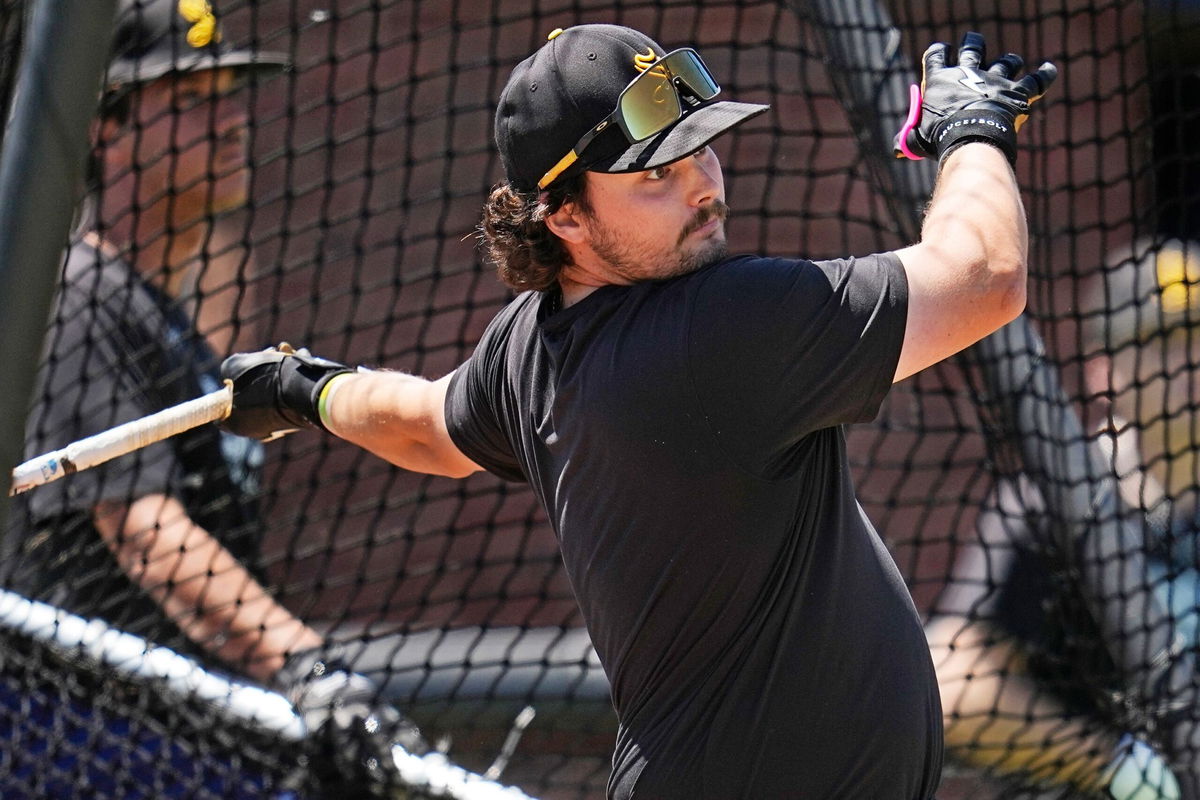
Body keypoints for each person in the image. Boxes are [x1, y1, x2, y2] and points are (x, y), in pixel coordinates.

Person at [220, 25, 1056, 799]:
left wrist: (308, 392)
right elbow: (984, 273)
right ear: (566, 215)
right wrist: (971, 131)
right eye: (657, 172)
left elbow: (427, 423)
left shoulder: (532, 341)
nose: (703, 186)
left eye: (702, 151)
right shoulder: (715, 329)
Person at [3, 0, 422, 793]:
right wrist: (305, 662)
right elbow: (146, 533)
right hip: (82, 743)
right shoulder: (85, 298)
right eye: (191, 100)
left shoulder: (157, 316)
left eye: (228, 95)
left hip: (152, 737)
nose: (230, 121)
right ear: (108, 127)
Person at [926, 238, 1200, 800]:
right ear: (1106, 372)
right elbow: (951, 687)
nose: (1193, 364)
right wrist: (1119, 765)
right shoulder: (1065, 502)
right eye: (1167, 343)